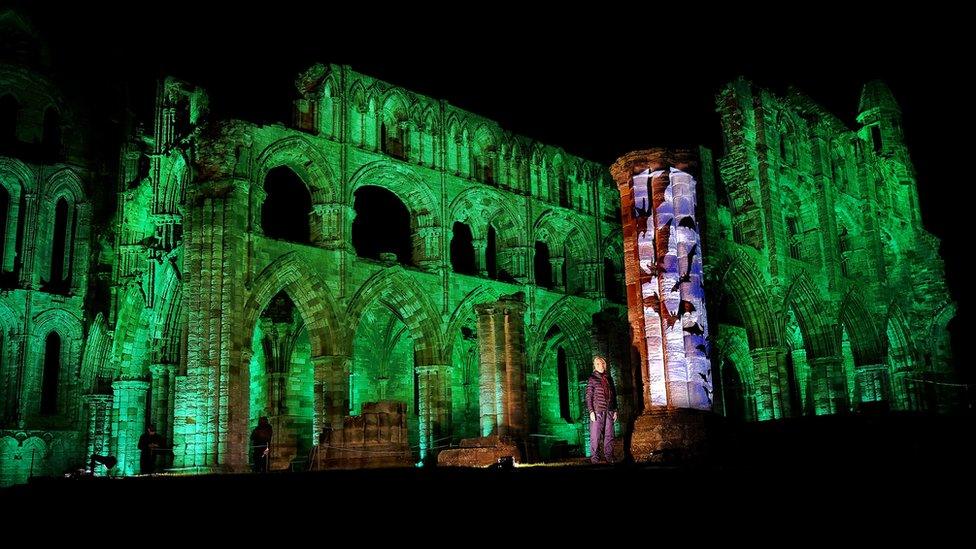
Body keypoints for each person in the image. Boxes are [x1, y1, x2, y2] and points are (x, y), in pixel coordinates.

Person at [585, 355, 618, 464]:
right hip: (597, 411)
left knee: (609, 435)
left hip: (609, 410)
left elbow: (613, 395)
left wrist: (615, 410)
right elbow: (588, 396)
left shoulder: (609, 378)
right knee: (595, 435)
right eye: (598, 364)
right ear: (594, 366)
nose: (601, 365)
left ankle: (609, 457)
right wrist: (591, 411)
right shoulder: (592, 378)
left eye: (602, 363)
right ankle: (595, 459)